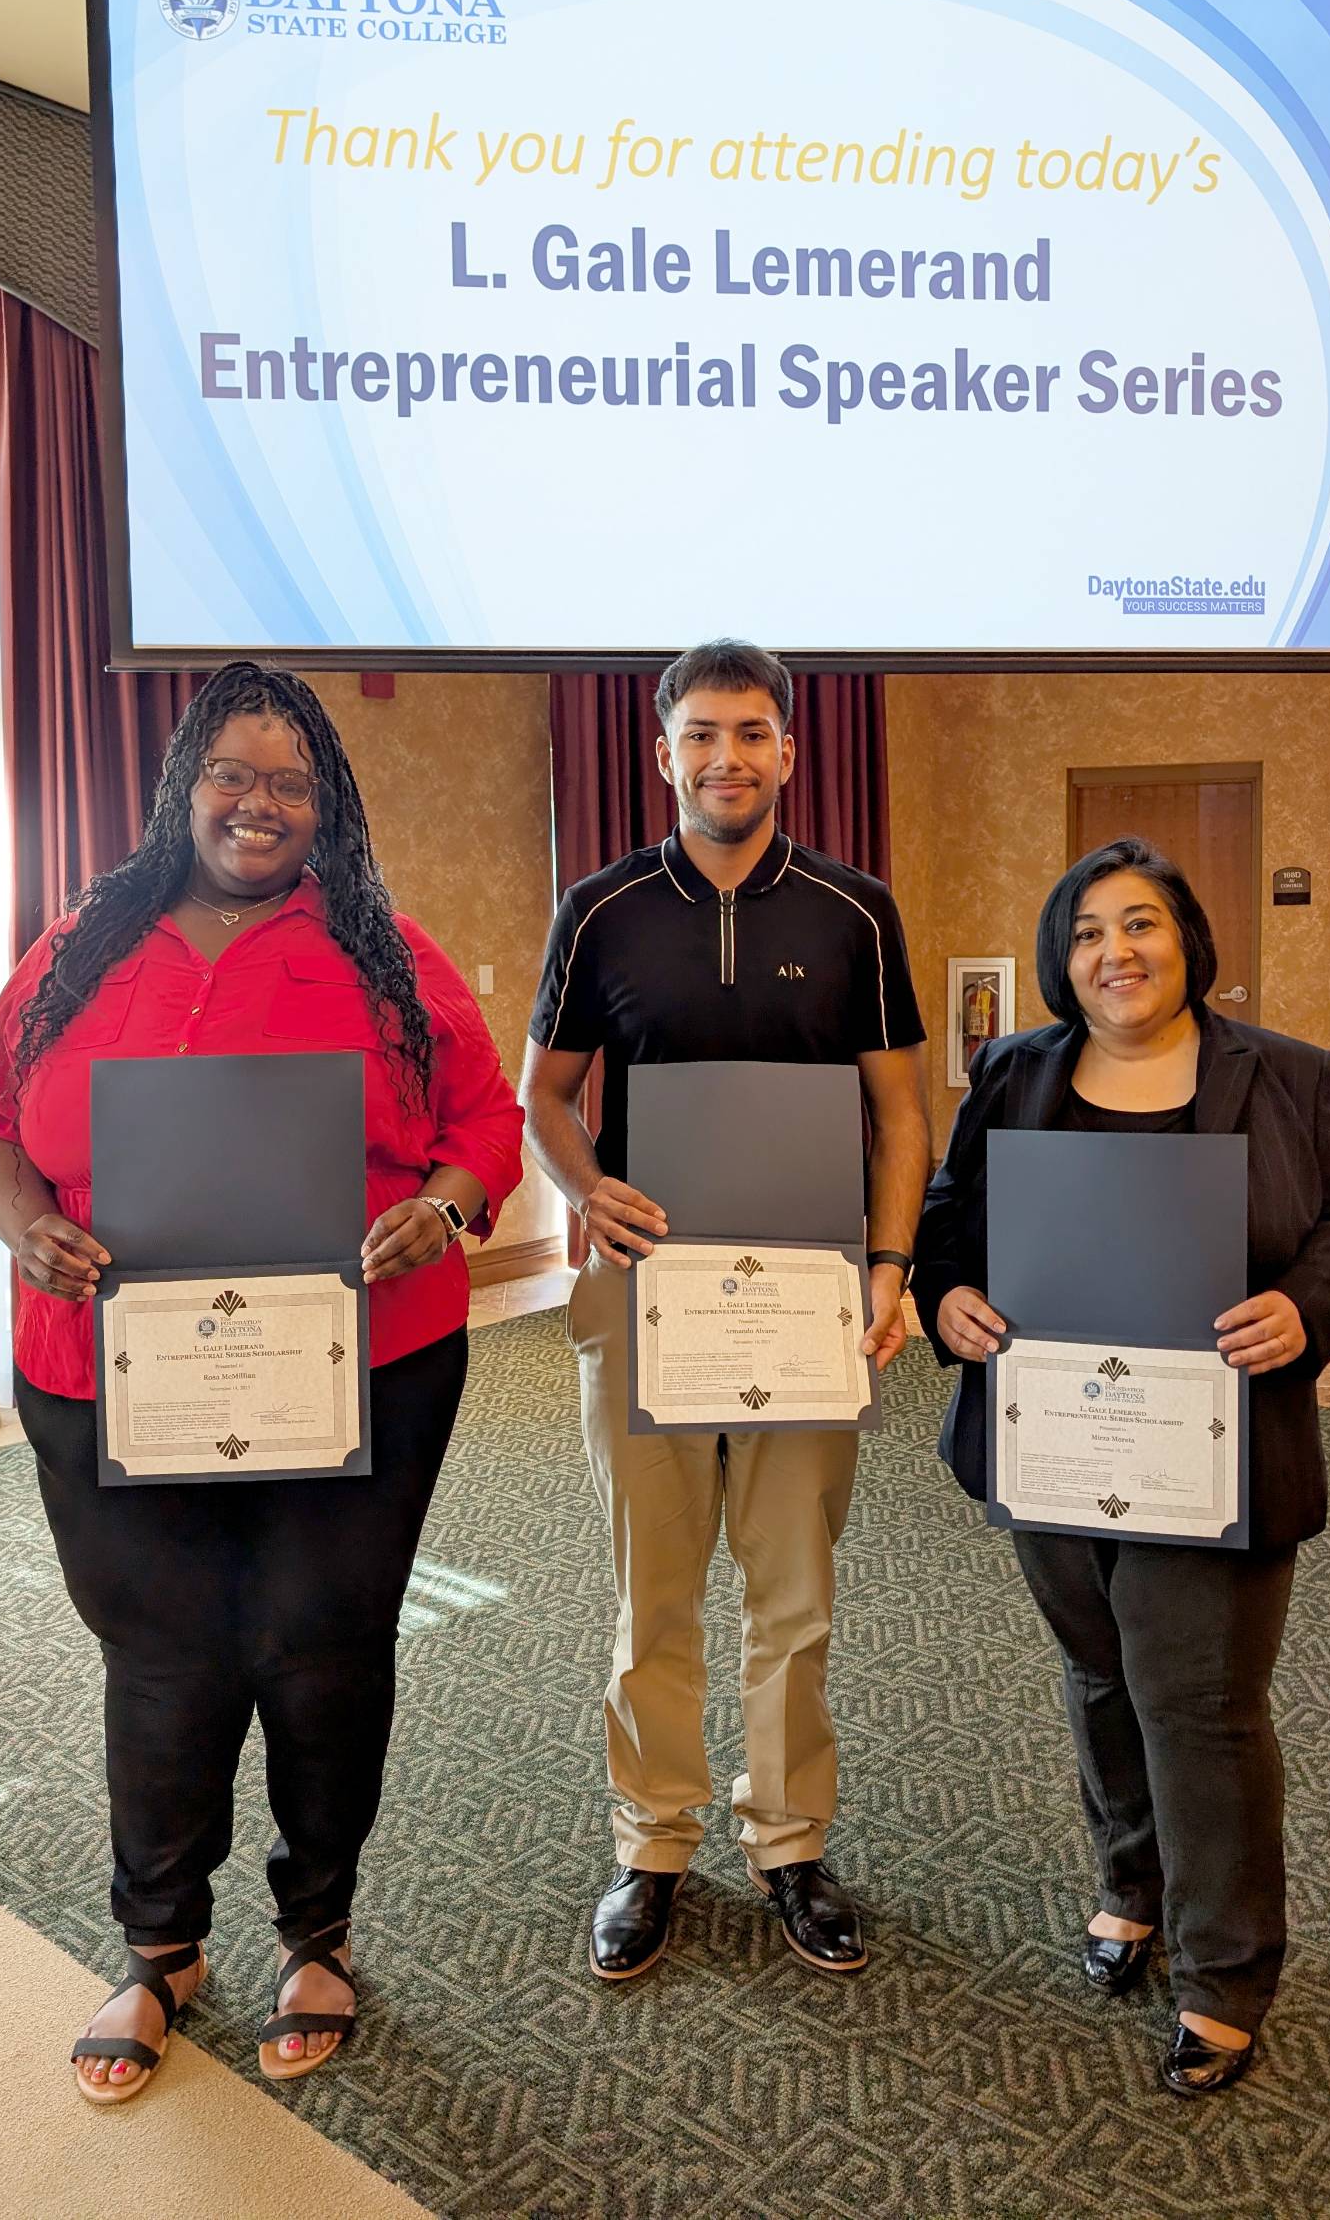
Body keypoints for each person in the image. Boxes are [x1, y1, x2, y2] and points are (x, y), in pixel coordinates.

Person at [0, 662, 522, 2104]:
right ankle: (159, 1944)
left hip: (361, 1367)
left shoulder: (386, 950)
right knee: (164, 1651)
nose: (259, 806)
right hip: (109, 1372)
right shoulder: (82, 944)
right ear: (184, 784)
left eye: (292, 784)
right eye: (234, 775)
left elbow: (484, 1123)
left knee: (322, 1646)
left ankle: (316, 1932)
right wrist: (27, 1225)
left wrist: (441, 1209)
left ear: (325, 810)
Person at [913, 837, 1330, 2096]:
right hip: (1053, 1445)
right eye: (1085, 934)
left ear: (1188, 943)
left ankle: (1224, 1972)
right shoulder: (1015, 1070)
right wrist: (946, 1295)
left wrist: (1303, 1307)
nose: (1113, 953)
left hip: (1216, 1450)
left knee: (1201, 1703)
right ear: (1059, 961)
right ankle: (1131, 1884)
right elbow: (949, 1219)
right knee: (1100, 1671)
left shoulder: (1287, 1077)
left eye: (1141, 927)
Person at [521, 640, 930, 1982]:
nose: (727, 757)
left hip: (807, 1303)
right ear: (664, 752)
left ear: (789, 750)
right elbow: (546, 1097)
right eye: (701, 733)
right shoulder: (598, 908)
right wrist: (589, 1187)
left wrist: (889, 1262)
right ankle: (651, 1842)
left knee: (792, 1589)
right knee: (654, 1590)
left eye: (752, 732)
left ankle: (789, 1840)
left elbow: (901, 1113)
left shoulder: (856, 911)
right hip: (647, 1295)